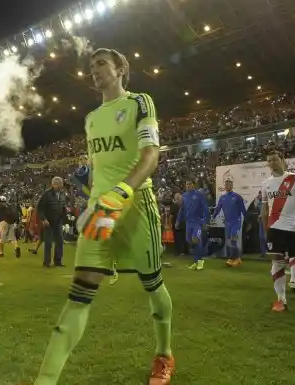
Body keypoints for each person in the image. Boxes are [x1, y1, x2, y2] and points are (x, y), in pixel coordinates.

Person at [34, 48, 174, 385]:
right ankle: (45, 381)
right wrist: (93, 201)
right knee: (79, 296)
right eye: (91, 66)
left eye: (101, 64)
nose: (94, 71)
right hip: (101, 212)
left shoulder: (141, 102)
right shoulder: (91, 118)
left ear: (121, 69)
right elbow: (98, 173)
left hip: (137, 205)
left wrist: (122, 192)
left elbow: (150, 154)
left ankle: (164, 354)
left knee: (152, 286)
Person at [259, 151, 295, 312]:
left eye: (275, 159)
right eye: (269, 160)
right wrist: (265, 229)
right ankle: (281, 300)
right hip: (275, 227)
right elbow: (264, 208)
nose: (272, 162)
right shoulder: (266, 183)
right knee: (277, 260)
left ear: (283, 160)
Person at [212, 179, 247, 267]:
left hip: (236, 221)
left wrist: (247, 220)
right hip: (228, 223)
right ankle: (237, 258)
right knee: (230, 241)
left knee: (233, 239)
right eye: (226, 184)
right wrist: (213, 217)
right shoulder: (222, 197)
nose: (228, 185)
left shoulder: (237, 196)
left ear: (232, 185)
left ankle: (232, 259)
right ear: (225, 186)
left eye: (229, 184)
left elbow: (243, 209)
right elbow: (218, 208)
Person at [176, 179, 210, 270]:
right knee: (190, 241)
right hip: (188, 223)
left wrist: (206, 222)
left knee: (195, 239)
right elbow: (182, 210)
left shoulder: (199, 195)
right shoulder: (184, 196)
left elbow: (205, 208)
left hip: (197, 222)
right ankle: (196, 261)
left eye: (190, 184)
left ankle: (200, 261)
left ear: (193, 185)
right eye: (186, 184)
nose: (188, 186)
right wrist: (178, 221)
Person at [36, 176, 68, 267]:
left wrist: (64, 215)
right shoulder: (47, 194)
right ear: (54, 184)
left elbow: (63, 206)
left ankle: (58, 261)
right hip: (48, 222)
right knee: (48, 242)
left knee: (60, 242)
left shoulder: (62, 194)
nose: (61, 186)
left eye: (61, 184)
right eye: (60, 184)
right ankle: (47, 262)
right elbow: (40, 208)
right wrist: (43, 219)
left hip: (58, 221)